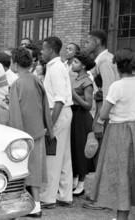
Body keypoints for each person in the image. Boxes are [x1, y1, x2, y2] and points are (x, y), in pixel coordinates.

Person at [87, 48, 135, 220]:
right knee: (131, 172)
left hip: (119, 131)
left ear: (117, 66)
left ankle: (121, 217)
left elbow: (104, 114)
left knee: (120, 173)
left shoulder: (117, 86)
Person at [9, 47, 54, 218]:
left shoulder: (17, 84)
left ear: (15, 63)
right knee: (36, 170)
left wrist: (17, 136)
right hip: (38, 131)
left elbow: (15, 113)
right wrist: (49, 130)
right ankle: (36, 205)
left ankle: (31, 207)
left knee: (23, 170)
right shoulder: (36, 79)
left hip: (23, 133)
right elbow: (44, 105)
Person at [39, 36, 73, 208]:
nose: (41, 52)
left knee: (52, 155)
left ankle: (48, 198)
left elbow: (59, 99)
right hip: (62, 112)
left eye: (43, 49)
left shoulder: (55, 68)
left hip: (58, 112)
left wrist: (50, 125)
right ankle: (65, 195)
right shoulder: (56, 66)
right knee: (64, 154)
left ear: (50, 50)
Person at [70, 51, 96, 196]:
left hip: (82, 116)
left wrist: (73, 95)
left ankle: (81, 184)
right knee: (73, 147)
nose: (72, 64)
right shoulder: (74, 78)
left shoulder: (87, 82)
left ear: (83, 65)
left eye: (75, 62)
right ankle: (74, 181)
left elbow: (88, 105)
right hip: (73, 115)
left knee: (81, 149)